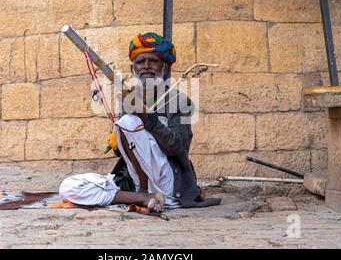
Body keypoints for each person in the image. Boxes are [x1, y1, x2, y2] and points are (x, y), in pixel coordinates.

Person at [59, 32, 221, 211]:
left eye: (153, 61)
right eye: (141, 61)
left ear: (164, 67)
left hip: (167, 181)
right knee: (69, 187)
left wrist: (146, 118)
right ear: (133, 68)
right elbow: (125, 154)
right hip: (132, 180)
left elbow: (177, 147)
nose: (147, 66)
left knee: (129, 122)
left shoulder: (180, 102)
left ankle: (144, 194)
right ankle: (142, 197)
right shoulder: (131, 99)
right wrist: (116, 141)